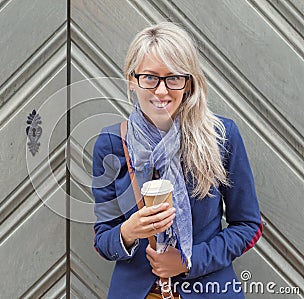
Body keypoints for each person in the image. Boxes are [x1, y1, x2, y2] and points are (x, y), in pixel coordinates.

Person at [92, 22, 263, 299]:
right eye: (149, 77)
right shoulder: (111, 143)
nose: (161, 91)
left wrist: (189, 261)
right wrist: (128, 231)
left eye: (173, 78)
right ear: (131, 79)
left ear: (189, 82)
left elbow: (248, 225)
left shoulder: (221, 136)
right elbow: (103, 239)